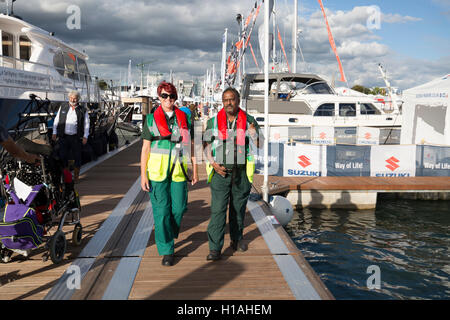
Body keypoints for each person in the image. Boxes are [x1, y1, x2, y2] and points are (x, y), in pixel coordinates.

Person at [140, 82, 199, 267]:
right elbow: (145, 149)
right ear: (159, 97)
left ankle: (168, 233)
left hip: (178, 170)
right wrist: (143, 175)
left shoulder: (184, 118)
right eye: (164, 96)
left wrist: (195, 170)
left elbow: (192, 145)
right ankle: (167, 250)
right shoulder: (150, 119)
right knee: (162, 212)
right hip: (157, 172)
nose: (168, 99)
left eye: (171, 96)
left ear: (175, 98)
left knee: (179, 208)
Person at [203, 87, 263, 261]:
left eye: (232, 99)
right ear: (223, 102)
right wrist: (213, 164)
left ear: (238, 100)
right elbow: (205, 146)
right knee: (218, 211)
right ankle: (215, 248)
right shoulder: (213, 122)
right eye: (225, 100)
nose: (229, 103)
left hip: (241, 173)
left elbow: (260, 144)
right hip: (220, 173)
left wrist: (254, 135)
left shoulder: (249, 120)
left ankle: (236, 240)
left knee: (238, 210)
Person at [52, 91, 89, 183]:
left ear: (78, 99)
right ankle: (67, 177)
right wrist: (54, 132)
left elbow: (87, 124)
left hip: (76, 137)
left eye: (75, 98)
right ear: (69, 98)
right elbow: (56, 120)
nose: (73, 99)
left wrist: (85, 136)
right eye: (71, 98)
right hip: (63, 137)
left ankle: (76, 177)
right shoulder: (63, 107)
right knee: (63, 156)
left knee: (77, 157)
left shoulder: (82, 110)